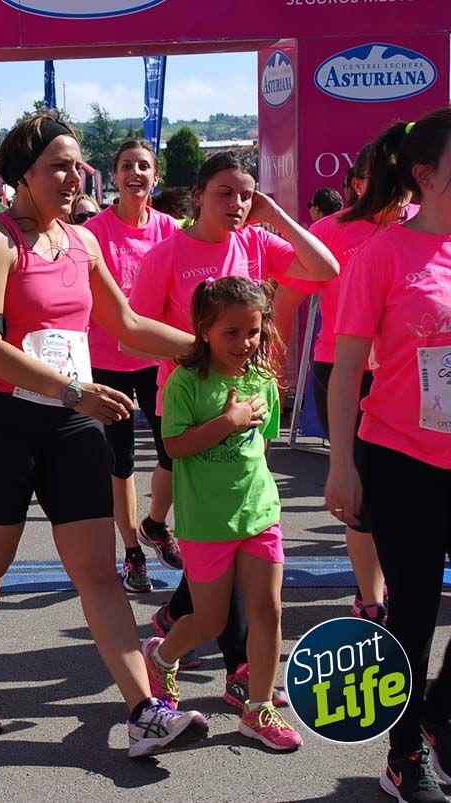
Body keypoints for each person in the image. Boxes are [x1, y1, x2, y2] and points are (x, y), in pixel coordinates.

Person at [0, 113, 209, 757]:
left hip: (69, 423)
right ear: (23, 175)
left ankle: (144, 709)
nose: (73, 176)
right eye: (58, 165)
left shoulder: (82, 242)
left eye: (76, 165)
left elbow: (125, 323)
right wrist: (74, 391)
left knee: (97, 571)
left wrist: (210, 351)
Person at [131, 151, 337, 689]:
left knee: (238, 514)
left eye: (246, 194)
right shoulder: (167, 253)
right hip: (185, 398)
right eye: (225, 193)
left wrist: (278, 216)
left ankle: (195, 630)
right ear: (198, 195)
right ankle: (236, 664)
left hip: (249, 397)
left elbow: (325, 268)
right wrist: (199, 355)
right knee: (212, 521)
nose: (237, 204)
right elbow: (135, 327)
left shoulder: (255, 241)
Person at [324, 107, 451, 803]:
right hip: (401, 457)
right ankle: (404, 756)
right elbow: (347, 371)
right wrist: (342, 464)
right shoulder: (381, 255)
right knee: (416, 611)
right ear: (425, 176)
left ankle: (436, 718)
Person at [142, 276, 302, 751]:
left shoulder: (263, 380)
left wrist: (259, 492)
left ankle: (257, 711)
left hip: (259, 514)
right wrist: (226, 423)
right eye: (231, 332)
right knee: (209, 622)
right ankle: (163, 656)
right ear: (205, 330)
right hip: (207, 523)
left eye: (252, 331)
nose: (244, 342)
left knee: (268, 612)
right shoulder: (186, 383)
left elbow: (261, 446)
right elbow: (174, 447)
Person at [305, 123, 414, 624]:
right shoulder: (331, 230)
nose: (376, 186)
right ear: (353, 183)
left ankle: (400, 582)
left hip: (406, 372)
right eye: (365, 177)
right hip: (342, 369)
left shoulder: (423, 223)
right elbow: (287, 294)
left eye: (385, 175)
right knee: (362, 489)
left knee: (404, 486)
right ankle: (371, 600)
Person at [83, 139, 183, 594]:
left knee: (174, 452)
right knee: (119, 463)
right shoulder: (94, 231)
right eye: (126, 166)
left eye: (144, 166)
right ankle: (133, 552)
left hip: (159, 360)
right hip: (107, 361)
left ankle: (155, 524)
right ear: (115, 175)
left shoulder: (172, 230)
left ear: (155, 177)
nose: (135, 173)